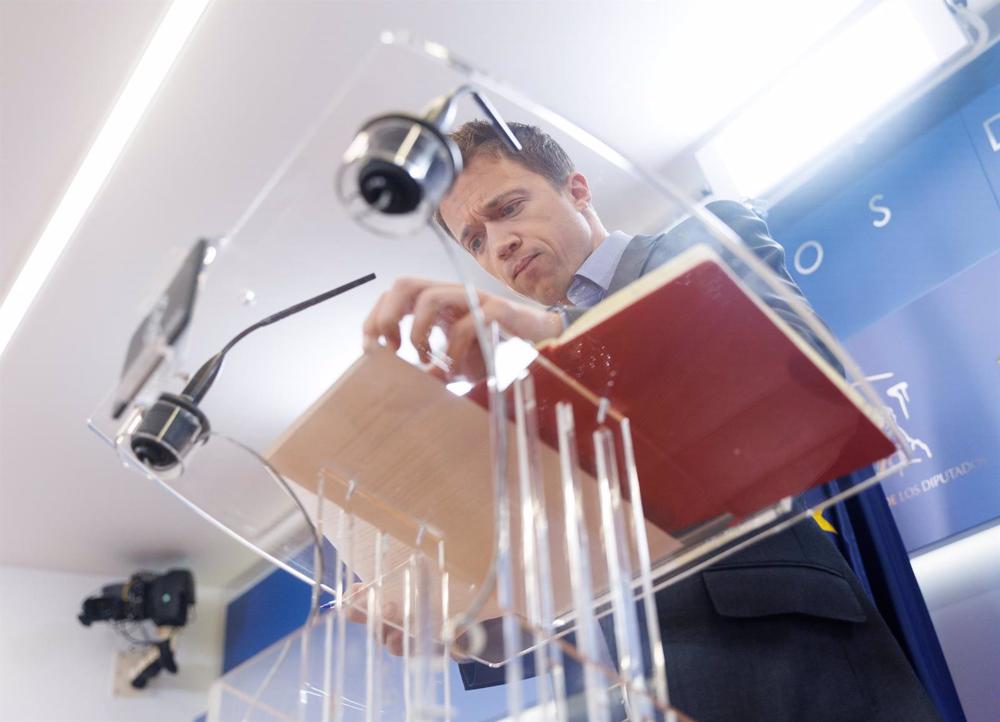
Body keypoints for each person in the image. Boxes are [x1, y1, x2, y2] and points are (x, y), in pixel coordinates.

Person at [362, 121, 942, 722]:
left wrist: (559, 333)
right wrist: (455, 622)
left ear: (577, 190)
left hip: (791, 661)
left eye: (508, 209)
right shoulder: (533, 388)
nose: (499, 245)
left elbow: (805, 368)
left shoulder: (699, 240)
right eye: (476, 241)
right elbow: (573, 589)